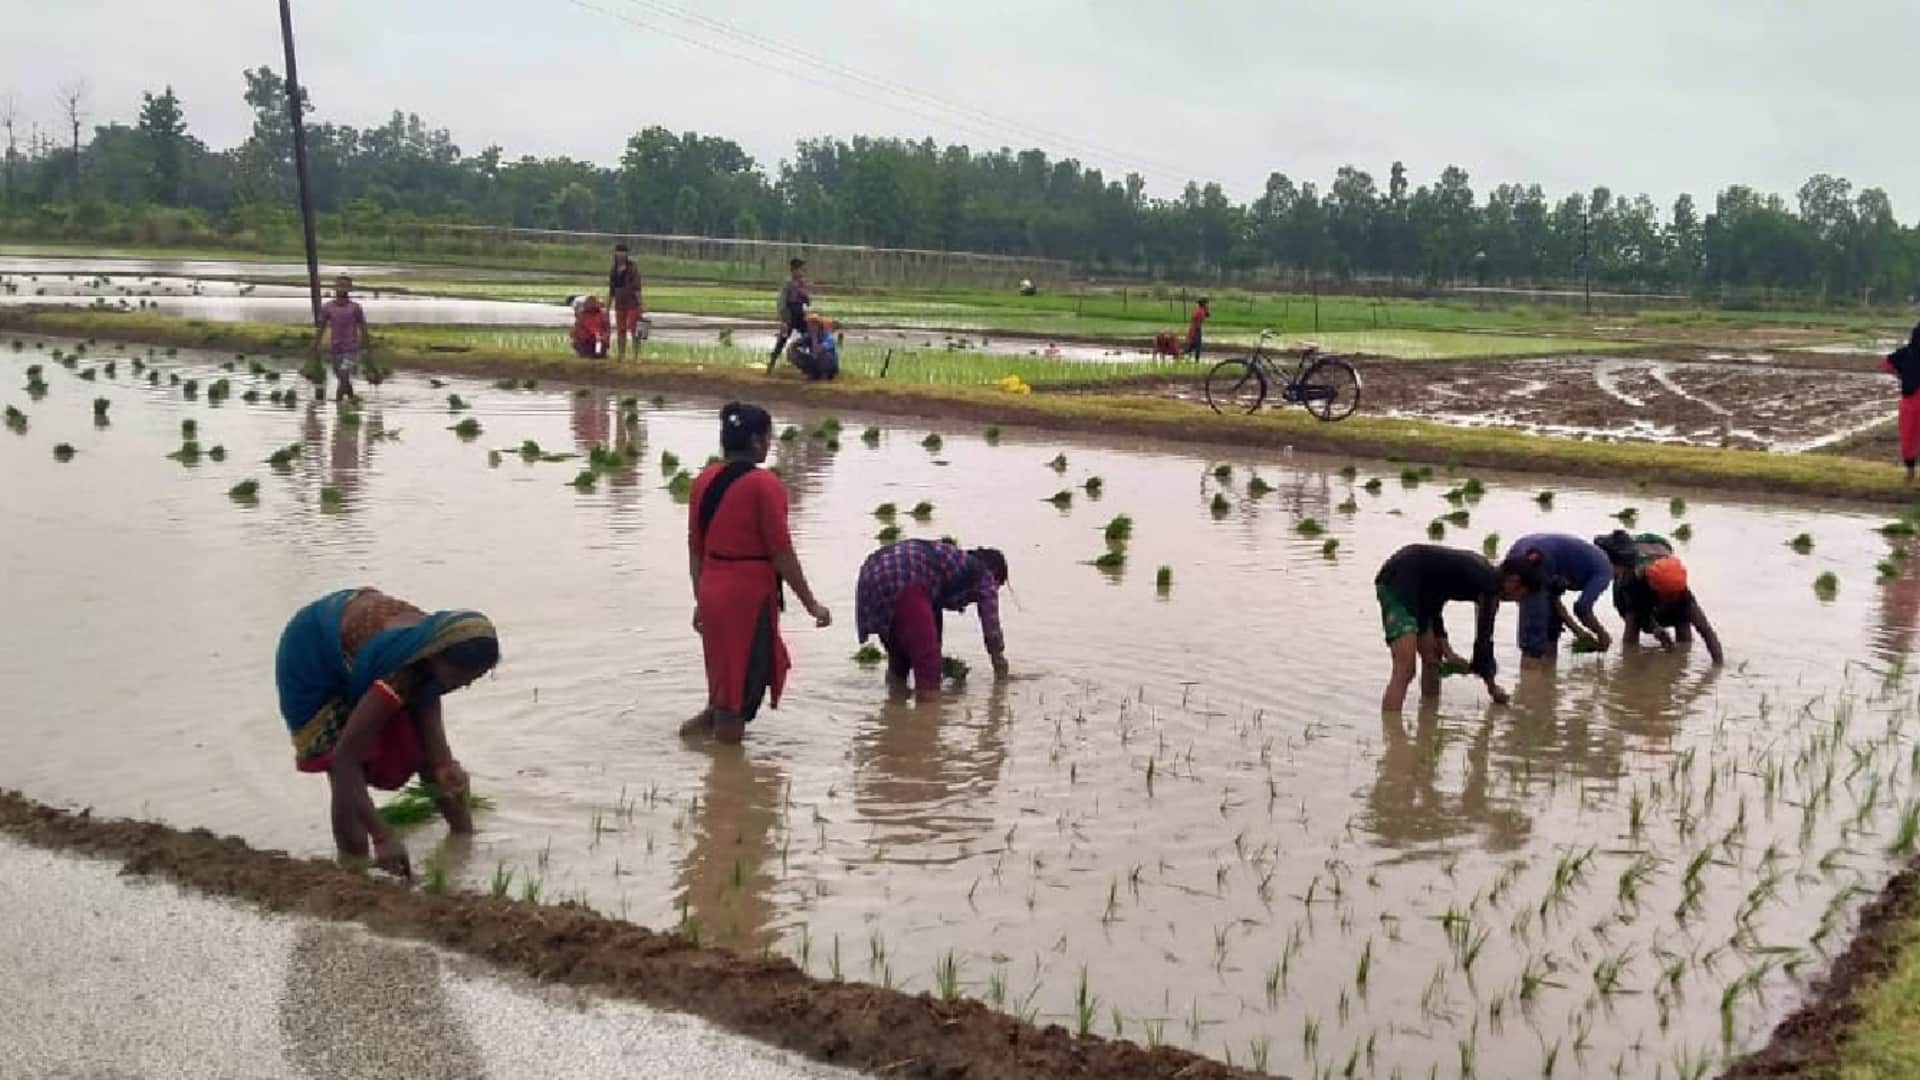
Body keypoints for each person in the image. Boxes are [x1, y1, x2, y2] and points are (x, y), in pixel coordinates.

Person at [274, 588, 500, 879]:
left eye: (474, 679)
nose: (464, 685)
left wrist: (445, 768)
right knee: (339, 760)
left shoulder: (437, 645)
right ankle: (352, 866)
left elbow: (433, 738)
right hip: (312, 655)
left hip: (361, 643)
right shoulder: (400, 672)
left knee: (430, 756)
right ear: (437, 659)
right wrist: (383, 837)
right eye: (460, 678)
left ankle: (461, 836)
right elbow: (344, 758)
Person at [685, 402, 832, 743]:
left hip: (712, 589)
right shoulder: (765, 486)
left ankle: (711, 726)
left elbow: (696, 550)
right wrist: (812, 604)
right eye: (768, 437)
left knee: (727, 678)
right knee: (743, 688)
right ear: (756, 442)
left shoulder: (704, 480)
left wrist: (701, 599)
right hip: (746, 597)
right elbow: (781, 553)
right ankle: (728, 777)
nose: (769, 443)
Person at [1375, 543, 1540, 711]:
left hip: (1423, 592)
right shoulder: (1489, 588)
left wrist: (1448, 651)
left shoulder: (1483, 576)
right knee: (1405, 669)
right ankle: (1392, 734)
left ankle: (1430, 716)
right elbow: (1483, 643)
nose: (1518, 601)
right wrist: (1492, 688)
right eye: (1522, 595)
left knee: (1433, 657)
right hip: (1398, 580)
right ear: (1514, 581)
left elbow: (1435, 598)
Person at [855, 539, 1010, 702]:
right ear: (994, 573)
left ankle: (893, 713)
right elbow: (991, 624)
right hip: (907, 575)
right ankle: (927, 722)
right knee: (928, 667)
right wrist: (1000, 665)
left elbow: (932, 633)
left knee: (899, 660)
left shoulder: (946, 564)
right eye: (997, 585)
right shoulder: (984, 574)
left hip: (871, 574)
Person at [1595, 531, 1724, 664]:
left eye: (1671, 596)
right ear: (1653, 586)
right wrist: (1654, 628)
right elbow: (1636, 622)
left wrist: (1718, 664)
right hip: (1630, 588)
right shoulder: (1632, 582)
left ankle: (1681, 659)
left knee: (1683, 622)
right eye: (1665, 596)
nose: (1667, 600)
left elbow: (1706, 630)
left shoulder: (1681, 592)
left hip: (1657, 556)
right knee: (1633, 621)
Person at [1504, 533, 1614, 664]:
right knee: (1534, 641)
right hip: (1537, 556)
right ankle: (1532, 681)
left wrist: (1578, 632)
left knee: (1550, 624)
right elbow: (1582, 608)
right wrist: (1602, 634)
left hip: (1521, 547)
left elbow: (1553, 600)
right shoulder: (1604, 570)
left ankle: (1546, 676)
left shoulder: (1578, 562)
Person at [313, 274, 369, 401]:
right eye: (339, 286)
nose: (342, 289)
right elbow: (321, 327)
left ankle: (338, 405)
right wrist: (316, 344)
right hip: (335, 348)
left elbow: (363, 327)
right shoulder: (328, 307)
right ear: (335, 288)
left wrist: (367, 347)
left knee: (343, 375)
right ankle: (351, 399)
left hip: (351, 349)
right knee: (342, 378)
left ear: (350, 289)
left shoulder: (355, 307)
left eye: (345, 286)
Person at [1884, 323, 1920, 482]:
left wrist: (1900, 375)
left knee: (1909, 437)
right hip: (1912, 400)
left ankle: (1910, 472)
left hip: (1910, 400)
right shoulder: (1906, 353)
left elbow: (1887, 364)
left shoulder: (1905, 353)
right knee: (1909, 437)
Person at [770, 258, 810, 364]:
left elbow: (806, 300)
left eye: (803, 270)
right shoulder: (788, 283)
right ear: (794, 270)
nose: (802, 272)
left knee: (809, 334)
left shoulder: (801, 283)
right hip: (790, 314)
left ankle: (806, 361)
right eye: (801, 270)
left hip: (800, 313)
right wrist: (784, 319)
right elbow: (781, 301)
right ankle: (772, 363)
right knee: (782, 339)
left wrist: (806, 299)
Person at [609, 244, 644, 360]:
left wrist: (641, 304)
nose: (620, 255)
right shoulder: (614, 269)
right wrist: (608, 306)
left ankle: (636, 356)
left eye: (623, 252)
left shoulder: (632, 269)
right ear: (615, 253)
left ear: (627, 254)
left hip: (632, 303)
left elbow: (637, 288)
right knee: (621, 330)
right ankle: (621, 355)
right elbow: (611, 290)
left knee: (635, 330)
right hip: (619, 304)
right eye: (618, 252)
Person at [788, 312, 840, 380]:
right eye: (808, 325)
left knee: (823, 354)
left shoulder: (828, 338)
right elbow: (794, 344)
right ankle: (812, 372)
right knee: (792, 351)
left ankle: (825, 374)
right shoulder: (808, 336)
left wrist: (814, 337)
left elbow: (818, 351)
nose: (809, 327)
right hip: (816, 362)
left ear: (818, 326)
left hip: (829, 366)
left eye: (812, 325)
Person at [1185, 296, 1210, 361]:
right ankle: (1196, 361)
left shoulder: (1202, 310)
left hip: (1197, 329)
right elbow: (1194, 320)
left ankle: (1181, 354)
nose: (1208, 304)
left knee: (1193, 346)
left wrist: (1206, 309)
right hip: (1195, 329)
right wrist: (1193, 332)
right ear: (1204, 304)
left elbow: (1208, 315)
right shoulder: (1198, 311)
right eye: (1207, 303)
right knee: (1197, 346)